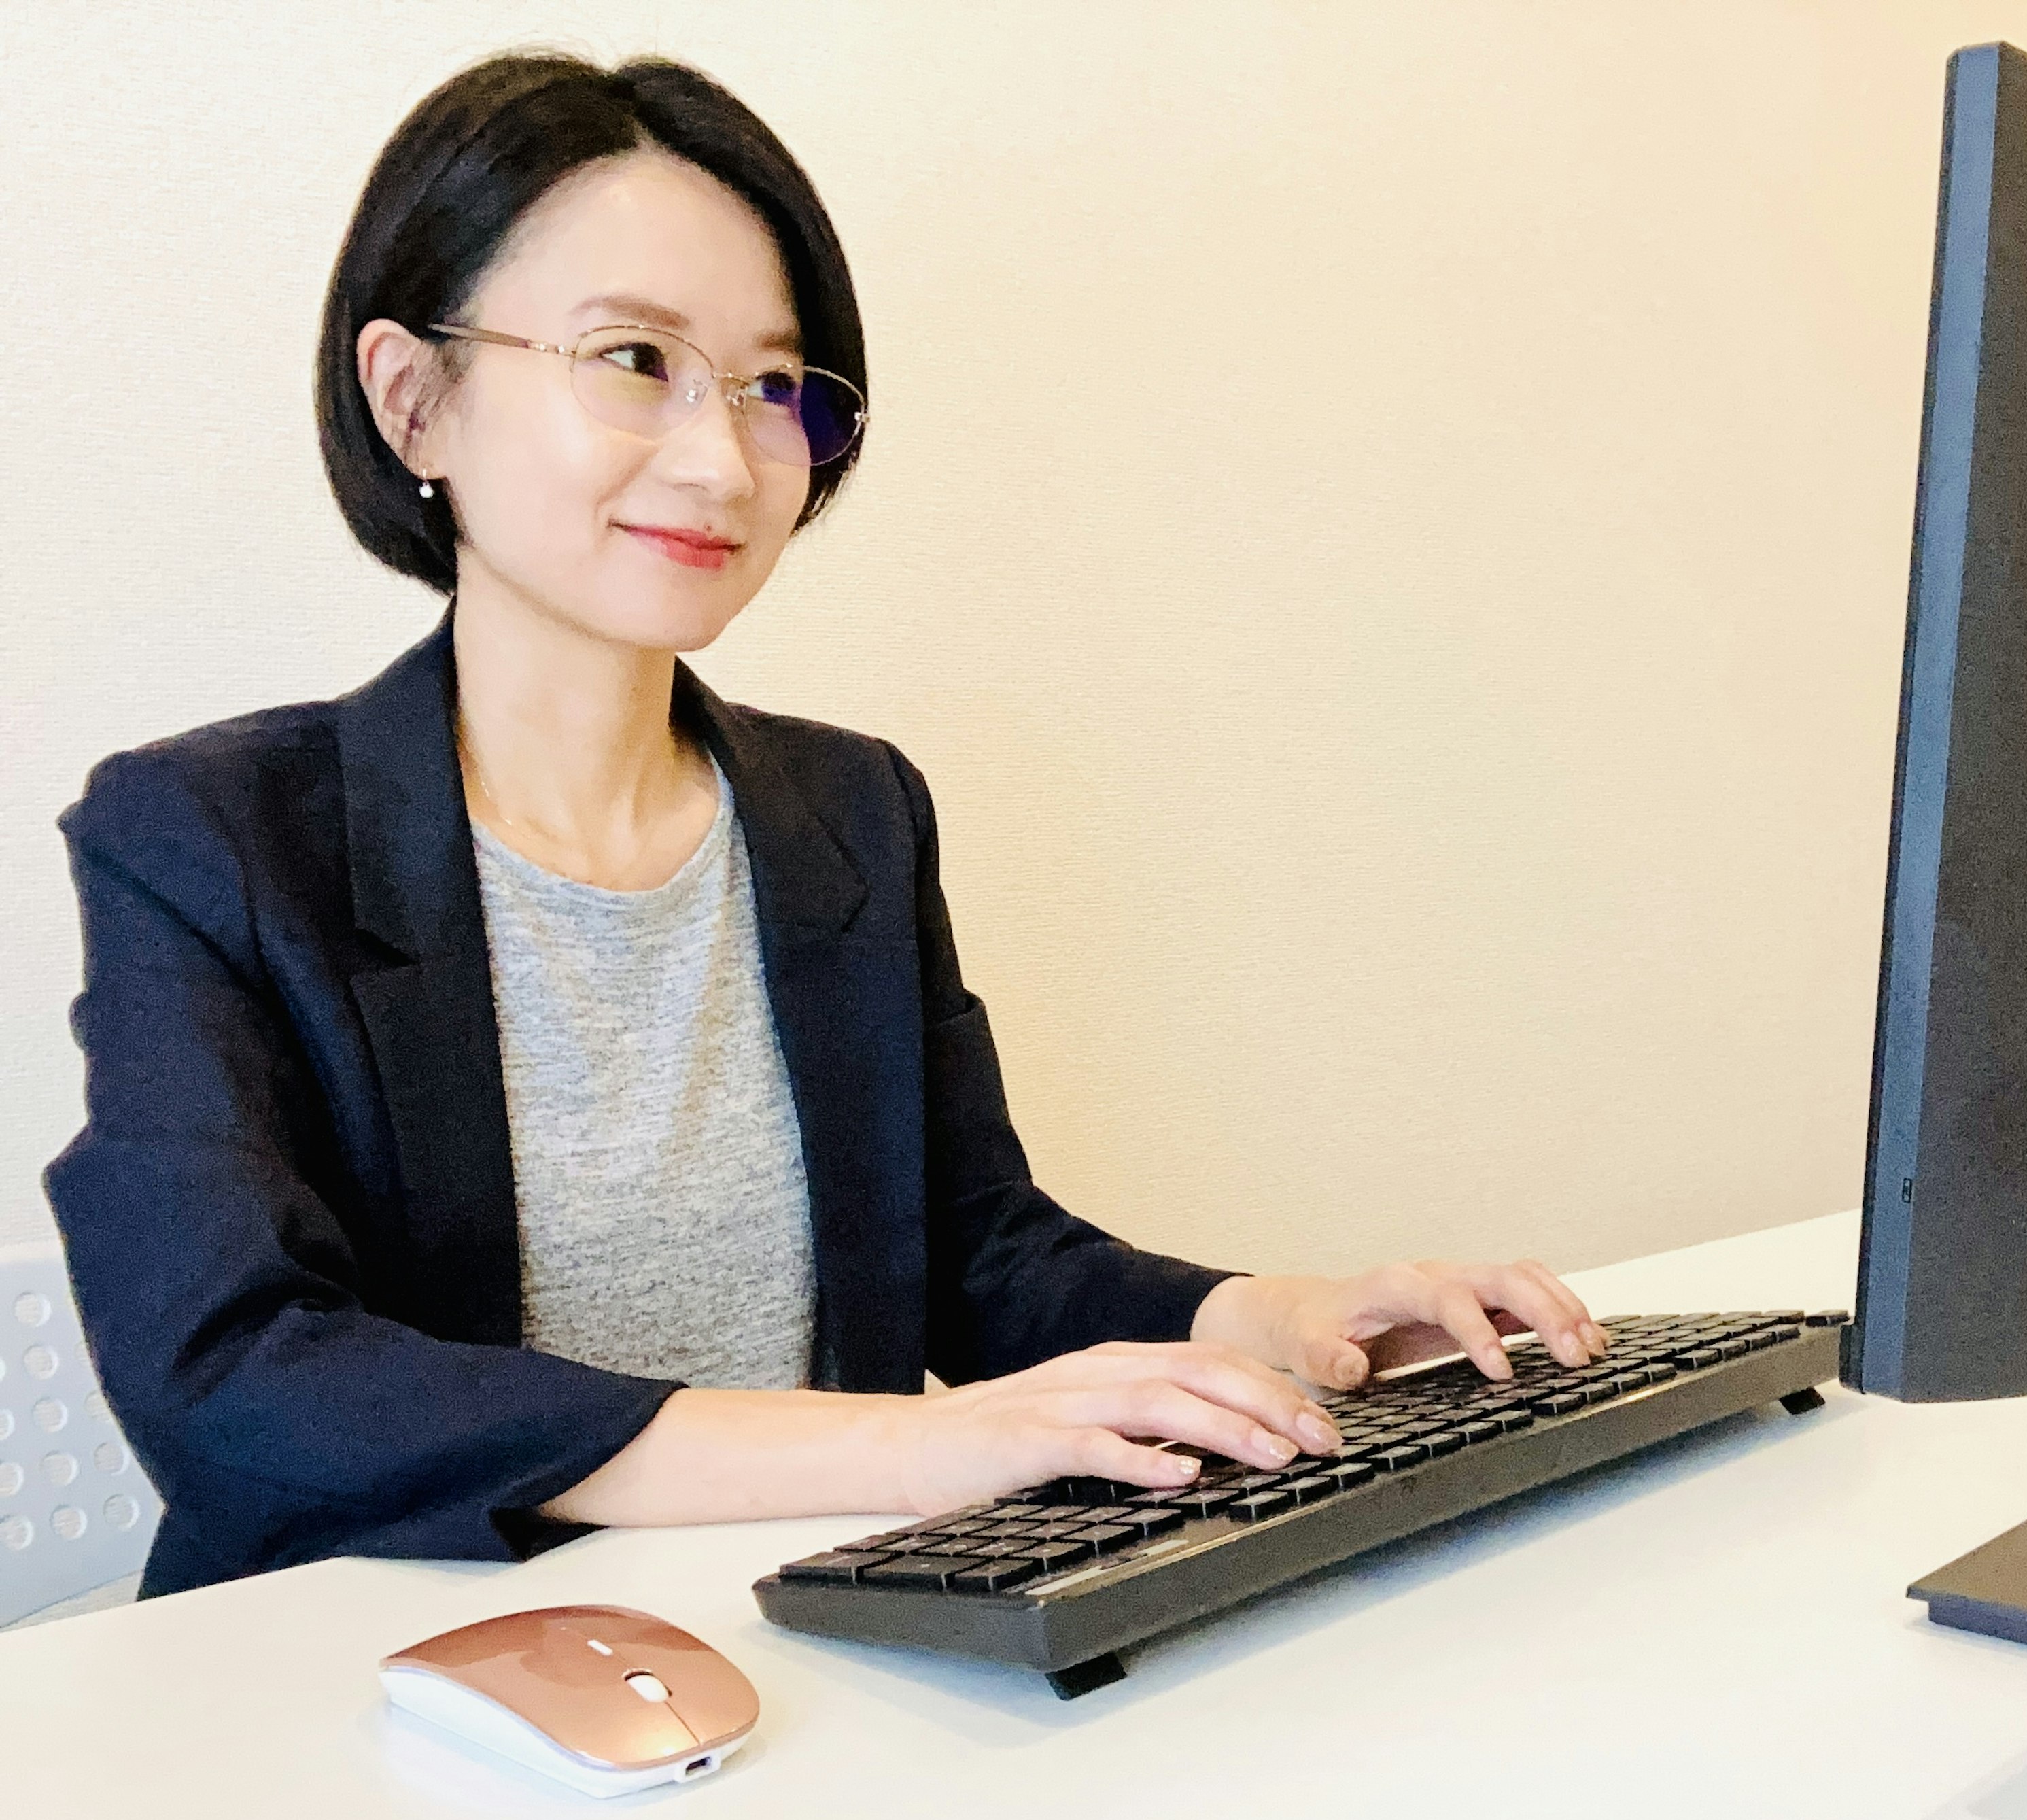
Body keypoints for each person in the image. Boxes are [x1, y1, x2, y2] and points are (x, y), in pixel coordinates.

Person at [45, 52, 1606, 1597]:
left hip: (800, 1665)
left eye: (775, 388)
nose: (725, 460)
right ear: (415, 400)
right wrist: (913, 1453)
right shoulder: (208, 840)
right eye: (634, 358)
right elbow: (238, 1369)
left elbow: (981, 1256)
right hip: (373, 1699)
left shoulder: (850, 812)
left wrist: (1273, 1321)